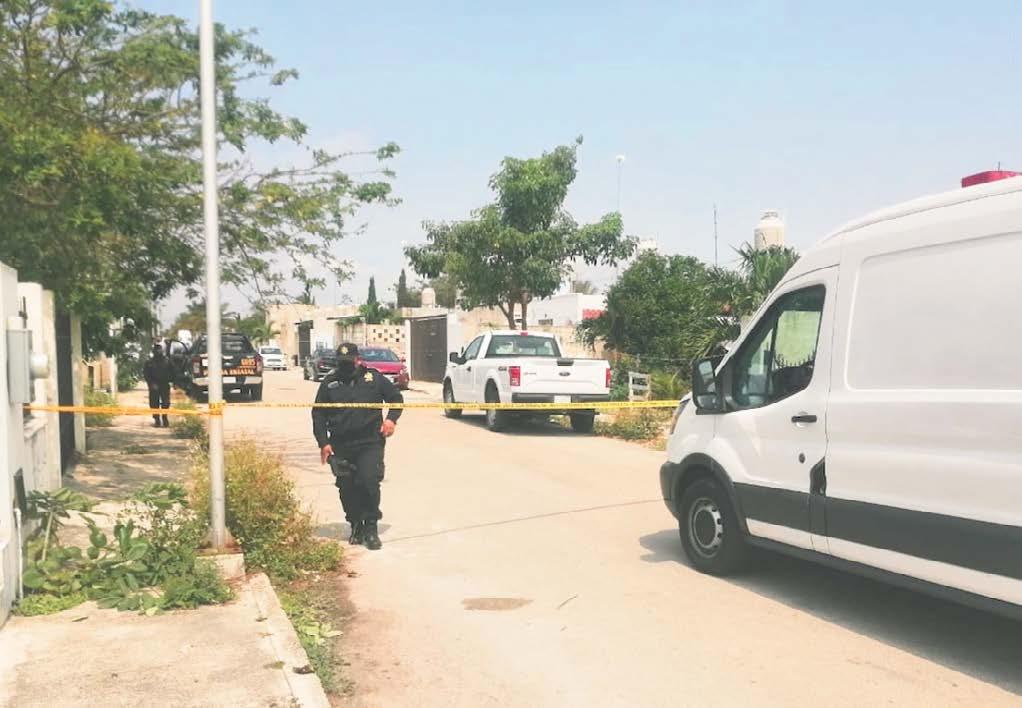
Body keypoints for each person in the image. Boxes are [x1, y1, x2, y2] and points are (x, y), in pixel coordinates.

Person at [312, 343, 402, 550]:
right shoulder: (330, 383)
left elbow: (396, 398)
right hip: (341, 444)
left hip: (369, 442)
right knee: (347, 487)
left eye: (349, 361)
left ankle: (370, 527)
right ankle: (355, 525)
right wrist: (323, 443)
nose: (345, 366)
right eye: (341, 362)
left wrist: (391, 420)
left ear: (358, 359)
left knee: (369, 482)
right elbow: (318, 414)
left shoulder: (373, 378)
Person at [143, 342, 174, 427]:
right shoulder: (149, 362)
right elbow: (146, 374)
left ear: (162, 351)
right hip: (154, 385)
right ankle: (157, 419)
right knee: (154, 403)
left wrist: (173, 382)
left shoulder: (167, 361)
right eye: (156, 350)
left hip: (164, 384)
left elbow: (173, 372)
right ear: (153, 351)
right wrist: (151, 384)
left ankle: (165, 417)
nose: (158, 351)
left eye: (159, 350)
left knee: (166, 403)